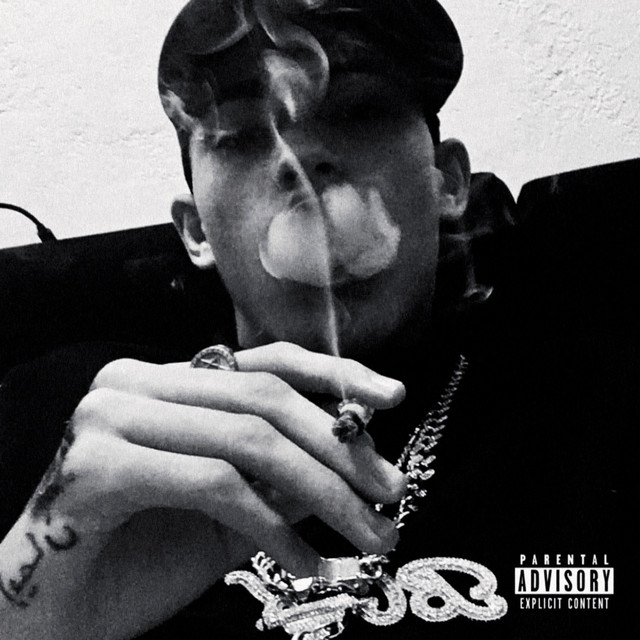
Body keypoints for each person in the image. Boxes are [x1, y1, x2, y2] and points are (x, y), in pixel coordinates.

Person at [0, 1, 624, 639]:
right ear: (195, 231)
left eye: (360, 112)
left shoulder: (593, 414)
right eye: (242, 134)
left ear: (448, 183)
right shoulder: (57, 425)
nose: (299, 158)